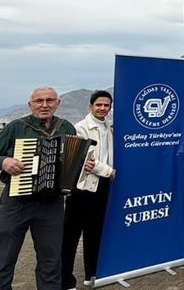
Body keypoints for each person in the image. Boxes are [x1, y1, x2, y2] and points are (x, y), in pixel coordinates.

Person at [0, 86, 77, 290]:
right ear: (30, 105)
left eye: (50, 100)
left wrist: (83, 164)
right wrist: (4, 161)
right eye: (39, 101)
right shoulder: (16, 127)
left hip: (52, 203)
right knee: (2, 258)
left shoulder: (66, 127)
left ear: (57, 104)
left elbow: (73, 159)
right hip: (16, 201)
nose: (44, 105)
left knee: (51, 260)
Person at [61, 91, 115, 289]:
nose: (102, 108)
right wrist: (109, 171)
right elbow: (86, 159)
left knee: (95, 232)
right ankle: (65, 280)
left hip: (102, 186)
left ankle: (91, 274)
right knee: (71, 234)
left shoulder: (108, 127)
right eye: (99, 105)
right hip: (82, 187)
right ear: (90, 106)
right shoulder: (81, 128)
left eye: (106, 105)